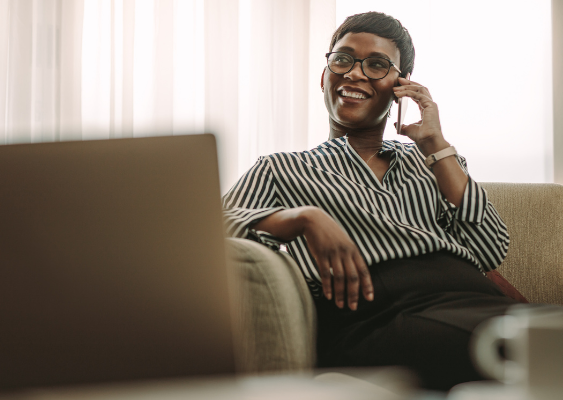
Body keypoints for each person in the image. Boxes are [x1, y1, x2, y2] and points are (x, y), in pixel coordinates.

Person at [222, 11, 519, 391]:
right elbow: (209, 229)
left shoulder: (432, 161)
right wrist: (303, 218)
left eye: (377, 65)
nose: (355, 73)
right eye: (342, 59)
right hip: (376, 317)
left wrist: (435, 144)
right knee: (528, 347)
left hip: (473, 299)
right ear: (324, 75)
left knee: (540, 337)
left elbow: (490, 248)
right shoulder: (281, 169)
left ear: (401, 85)